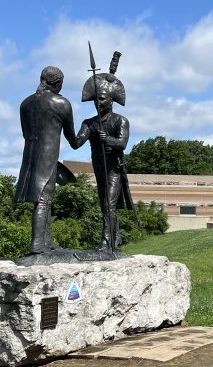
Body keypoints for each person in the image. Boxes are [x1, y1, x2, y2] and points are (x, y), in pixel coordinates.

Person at [15, 66, 79, 254]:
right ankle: (37, 243)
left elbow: (26, 133)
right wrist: (87, 132)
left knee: (42, 199)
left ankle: (47, 240)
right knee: (43, 200)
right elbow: (73, 140)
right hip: (47, 157)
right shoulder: (61, 103)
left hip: (30, 156)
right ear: (58, 83)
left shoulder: (25, 104)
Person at [75, 71, 133, 251]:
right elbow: (77, 142)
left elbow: (122, 143)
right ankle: (115, 238)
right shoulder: (89, 123)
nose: (97, 103)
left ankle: (107, 241)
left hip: (114, 169)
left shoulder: (120, 121)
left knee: (109, 204)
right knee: (104, 205)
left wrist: (106, 139)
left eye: (101, 99)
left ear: (111, 100)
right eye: (95, 99)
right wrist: (63, 123)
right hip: (99, 168)